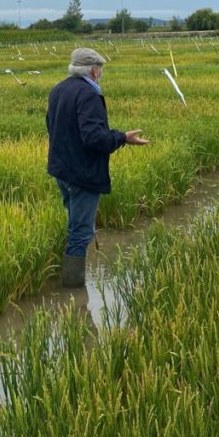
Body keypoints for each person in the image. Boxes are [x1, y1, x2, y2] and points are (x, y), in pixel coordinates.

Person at [46, 47, 149, 287]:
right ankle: (73, 290)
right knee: (81, 231)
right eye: (100, 69)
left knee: (74, 225)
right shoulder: (89, 94)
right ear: (94, 70)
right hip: (82, 173)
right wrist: (122, 138)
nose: (100, 73)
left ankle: (67, 280)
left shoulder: (59, 89)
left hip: (61, 169)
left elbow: (50, 125)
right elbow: (93, 137)